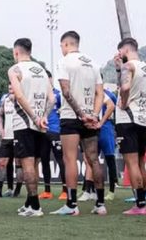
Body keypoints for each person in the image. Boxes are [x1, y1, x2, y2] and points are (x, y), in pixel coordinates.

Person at [50, 31, 106, 216]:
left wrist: (81, 114)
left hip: (71, 116)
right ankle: (100, 204)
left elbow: (66, 92)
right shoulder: (93, 63)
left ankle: (72, 205)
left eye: (61, 46)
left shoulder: (64, 62)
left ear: (66, 44)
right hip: (90, 117)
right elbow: (100, 93)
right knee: (93, 159)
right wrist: (93, 115)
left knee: (70, 159)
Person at [8, 38, 53, 217]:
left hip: (24, 122)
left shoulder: (15, 69)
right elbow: (52, 99)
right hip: (41, 123)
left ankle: (35, 207)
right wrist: (44, 117)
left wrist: (34, 117)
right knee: (34, 165)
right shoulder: (41, 69)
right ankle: (29, 203)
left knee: (27, 165)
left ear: (16, 52)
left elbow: (19, 96)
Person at [114, 38, 146, 215]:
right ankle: (143, 198)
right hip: (142, 119)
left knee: (131, 163)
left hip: (127, 119)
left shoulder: (128, 66)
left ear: (125, 50)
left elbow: (125, 86)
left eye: (120, 51)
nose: (119, 54)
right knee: (140, 161)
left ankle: (140, 205)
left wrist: (123, 101)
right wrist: (118, 69)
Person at [38, 83, 66, 200]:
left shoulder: (58, 95)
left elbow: (63, 109)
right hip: (42, 131)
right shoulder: (40, 95)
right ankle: (47, 190)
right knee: (44, 160)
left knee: (60, 160)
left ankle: (65, 190)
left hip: (55, 131)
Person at [0, 91, 15, 198]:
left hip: (19, 135)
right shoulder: (4, 98)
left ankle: (15, 189)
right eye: (9, 86)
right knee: (3, 162)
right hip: (6, 137)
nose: (10, 88)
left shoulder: (22, 95)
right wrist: (1, 129)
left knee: (19, 163)